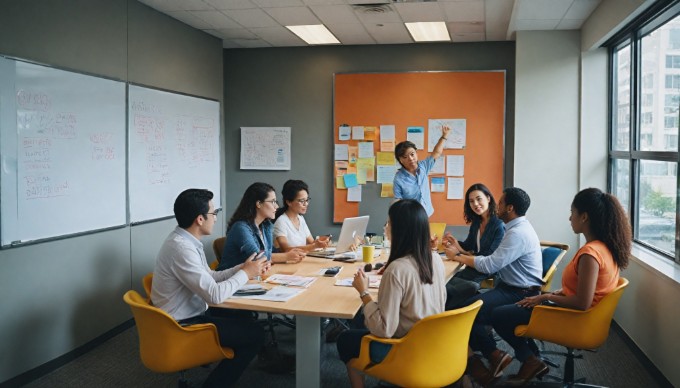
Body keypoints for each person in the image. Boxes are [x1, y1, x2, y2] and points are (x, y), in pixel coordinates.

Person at [491, 188, 631, 386]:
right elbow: (589, 291)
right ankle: (532, 359)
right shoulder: (606, 247)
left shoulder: (590, 255)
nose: (569, 218)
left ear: (584, 217)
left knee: (499, 315)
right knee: (514, 309)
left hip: (574, 319)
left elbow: (582, 302)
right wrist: (557, 293)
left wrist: (543, 298)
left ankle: (530, 360)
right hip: (583, 317)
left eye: (572, 213)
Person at [151, 188, 269, 387]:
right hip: (183, 325)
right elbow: (214, 295)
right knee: (256, 334)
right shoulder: (182, 248)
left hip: (191, 313)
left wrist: (242, 267)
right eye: (213, 214)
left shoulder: (187, 241)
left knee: (244, 319)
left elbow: (211, 277)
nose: (215, 218)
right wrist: (247, 273)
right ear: (199, 219)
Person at [336, 199, 447, 388]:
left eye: (388, 223)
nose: (386, 227)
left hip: (405, 349)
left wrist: (364, 292)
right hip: (434, 344)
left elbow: (384, 330)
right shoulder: (435, 258)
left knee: (345, 340)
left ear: (400, 229)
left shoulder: (397, 269)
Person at [444, 187, 543, 386]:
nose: (497, 207)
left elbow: (490, 264)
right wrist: (460, 252)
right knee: (469, 308)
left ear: (510, 208)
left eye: (501, 202)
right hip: (509, 287)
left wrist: (457, 256)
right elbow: (486, 256)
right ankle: (499, 357)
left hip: (520, 292)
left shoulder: (516, 233)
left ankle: (495, 357)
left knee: (467, 311)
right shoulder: (514, 228)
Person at [442, 183, 505, 309]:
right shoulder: (477, 221)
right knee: (444, 281)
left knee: (449, 286)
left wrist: (459, 255)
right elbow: (468, 245)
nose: (475, 204)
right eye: (471, 201)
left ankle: (448, 312)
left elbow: (488, 258)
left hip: (488, 271)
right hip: (473, 267)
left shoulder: (498, 224)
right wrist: (454, 242)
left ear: (488, 198)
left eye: (478, 199)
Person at [217, 182, 306, 270]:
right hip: (232, 280)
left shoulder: (266, 226)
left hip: (254, 277)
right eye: (273, 202)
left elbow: (271, 252)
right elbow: (258, 257)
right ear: (259, 203)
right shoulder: (240, 228)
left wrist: (290, 252)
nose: (277, 206)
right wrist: (286, 256)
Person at [393, 125, 451, 217]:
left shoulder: (423, 167)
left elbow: (437, 153)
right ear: (400, 160)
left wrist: (444, 136)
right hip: (410, 216)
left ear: (416, 153)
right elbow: (397, 200)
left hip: (425, 214)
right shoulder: (398, 178)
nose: (411, 159)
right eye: (405, 157)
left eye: (412, 154)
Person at [273, 179, 330, 252]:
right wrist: (314, 245)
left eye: (307, 200)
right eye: (302, 201)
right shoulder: (281, 222)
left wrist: (322, 241)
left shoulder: (300, 218)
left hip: (301, 260)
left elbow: (312, 243)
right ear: (289, 202)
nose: (306, 204)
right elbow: (286, 249)